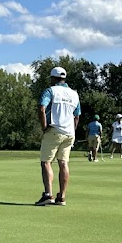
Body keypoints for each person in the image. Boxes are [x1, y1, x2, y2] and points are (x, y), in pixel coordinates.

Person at [36, 66, 80, 206]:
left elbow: (42, 108)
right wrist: (72, 130)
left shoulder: (50, 91)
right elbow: (77, 116)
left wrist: (44, 127)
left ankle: (48, 194)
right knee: (63, 163)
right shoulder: (74, 94)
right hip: (69, 132)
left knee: (46, 162)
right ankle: (62, 197)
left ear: (52, 78)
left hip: (54, 129)